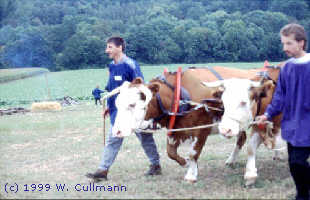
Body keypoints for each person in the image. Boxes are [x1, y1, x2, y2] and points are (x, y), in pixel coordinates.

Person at [86, 36, 161, 181]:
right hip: (117, 111)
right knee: (113, 139)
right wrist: (109, 107)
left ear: (119, 47)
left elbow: (140, 87)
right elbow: (111, 89)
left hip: (132, 111)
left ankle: (156, 165)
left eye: (110, 47)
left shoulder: (131, 64)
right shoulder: (111, 66)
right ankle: (103, 171)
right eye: (107, 47)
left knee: (145, 137)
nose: (106, 50)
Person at [256, 23, 310, 200]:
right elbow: (280, 97)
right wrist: (267, 114)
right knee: (294, 165)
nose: (284, 48)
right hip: (292, 124)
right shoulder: (286, 68)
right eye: (283, 43)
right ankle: (302, 194)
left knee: (298, 162)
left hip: (308, 125)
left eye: (288, 43)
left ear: (301, 43)